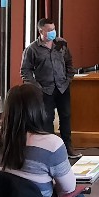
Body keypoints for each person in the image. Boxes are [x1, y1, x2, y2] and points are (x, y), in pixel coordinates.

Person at [20, 18, 76, 154]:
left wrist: (69, 78)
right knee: (47, 119)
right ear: (41, 31)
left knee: (66, 116)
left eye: (54, 29)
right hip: (45, 90)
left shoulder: (61, 43)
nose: (53, 32)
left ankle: (68, 146)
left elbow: (69, 62)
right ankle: (50, 148)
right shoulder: (32, 49)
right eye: (49, 30)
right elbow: (25, 71)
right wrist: (36, 86)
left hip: (62, 87)